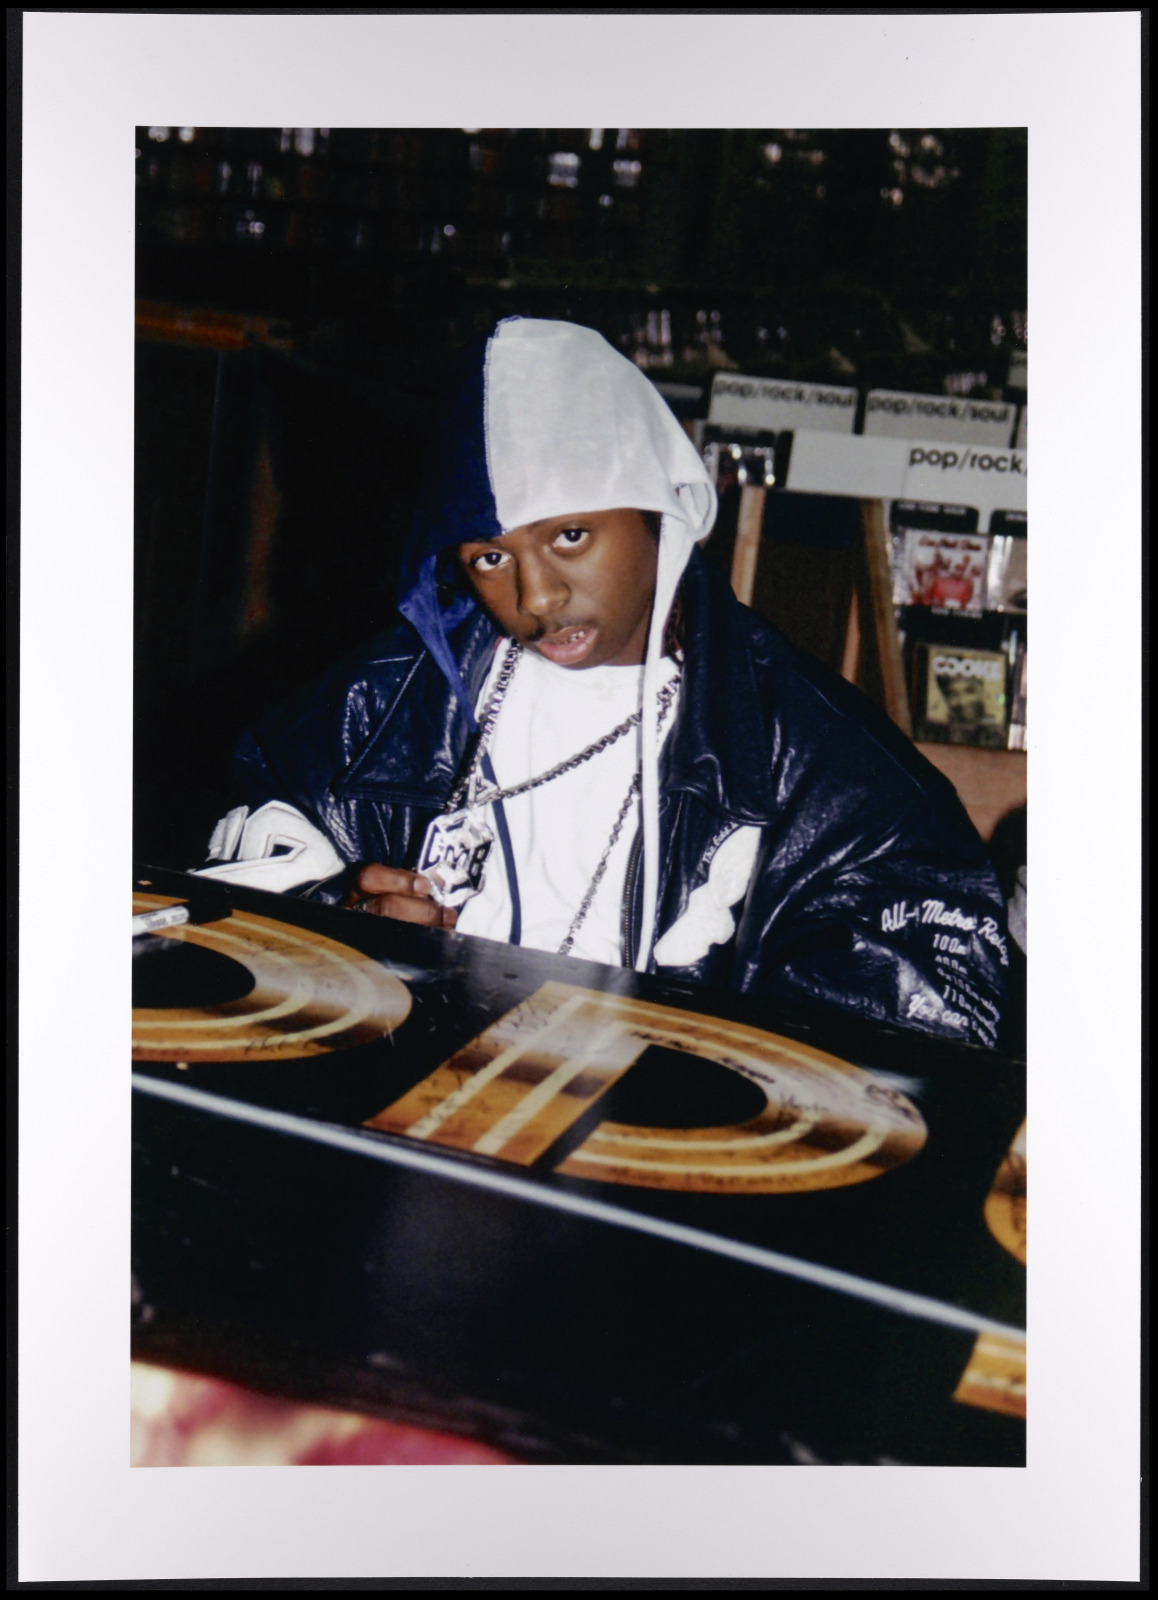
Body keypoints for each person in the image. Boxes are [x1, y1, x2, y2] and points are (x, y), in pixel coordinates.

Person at [199, 317, 1009, 1049]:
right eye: (490, 557)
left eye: (572, 536)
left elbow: (908, 1047)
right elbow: (243, 873)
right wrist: (343, 923)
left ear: (661, 509)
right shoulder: (388, 700)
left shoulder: (835, 775)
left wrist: (687, 1053)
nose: (537, 596)